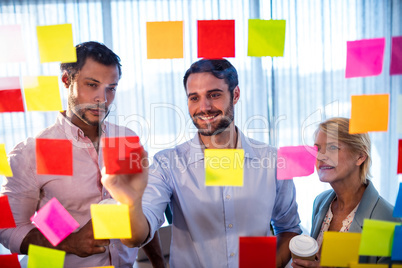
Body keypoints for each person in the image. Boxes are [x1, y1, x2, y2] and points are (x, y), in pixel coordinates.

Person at [101, 59, 302, 267]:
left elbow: (289, 228)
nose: (204, 107)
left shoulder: (273, 161)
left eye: (214, 95)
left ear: (235, 95)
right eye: (194, 98)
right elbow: (136, 238)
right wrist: (130, 202)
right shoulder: (168, 164)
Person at [0, 41, 164, 268]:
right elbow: (10, 228)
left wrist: (160, 264)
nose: (102, 99)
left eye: (111, 88)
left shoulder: (127, 140)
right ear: (67, 80)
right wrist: (69, 242)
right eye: (92, 85)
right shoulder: (30, 153)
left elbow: (142, 211)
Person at [291, 117, 401, 268]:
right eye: (317, 148)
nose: (320, 156)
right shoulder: (320, 202)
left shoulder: (389, 221)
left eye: (332, 148)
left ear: (360, 156)